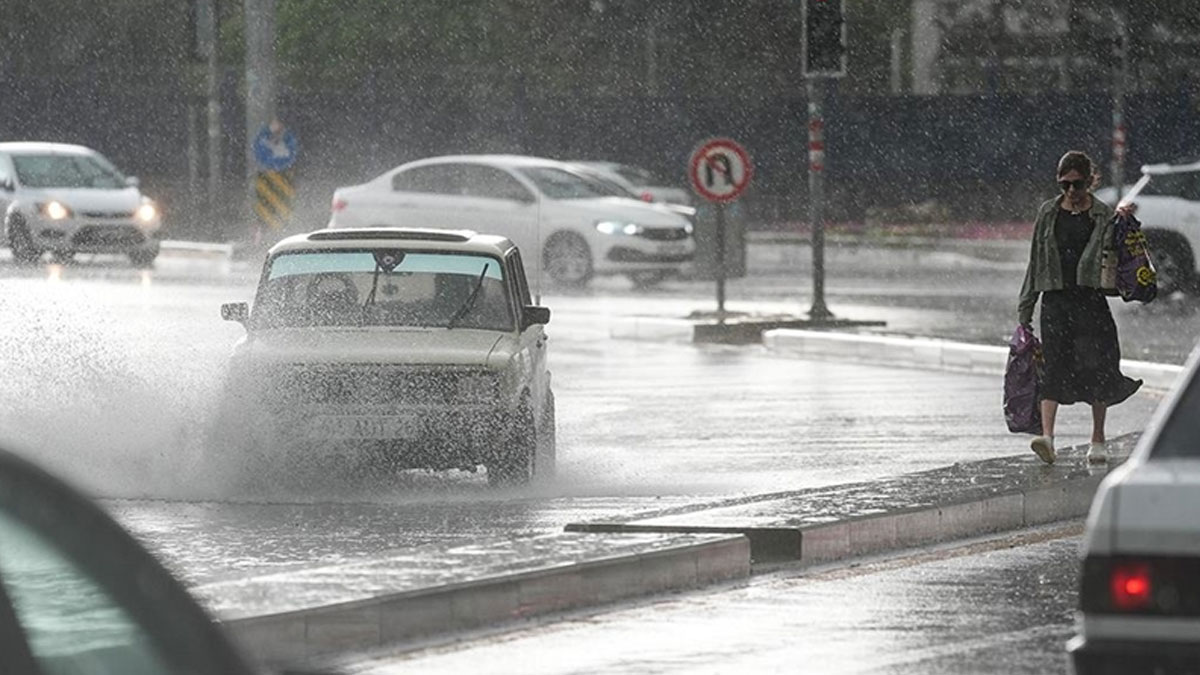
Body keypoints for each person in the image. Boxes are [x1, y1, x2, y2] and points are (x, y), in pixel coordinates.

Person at [1017, 151, 1142, 465]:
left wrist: (1124, 219)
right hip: (1056, 301)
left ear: (1090, 181)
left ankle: (1097, 438)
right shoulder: (1048, 213)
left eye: (1078, 184)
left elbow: (1124, 247)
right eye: (1065, 185)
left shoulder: (1102, 214)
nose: (1072, 191)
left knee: (1097, 366)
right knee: (1053, 366)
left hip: (1090, 300)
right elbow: (1035, 261)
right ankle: (1047, 438)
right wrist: (1025, 308)